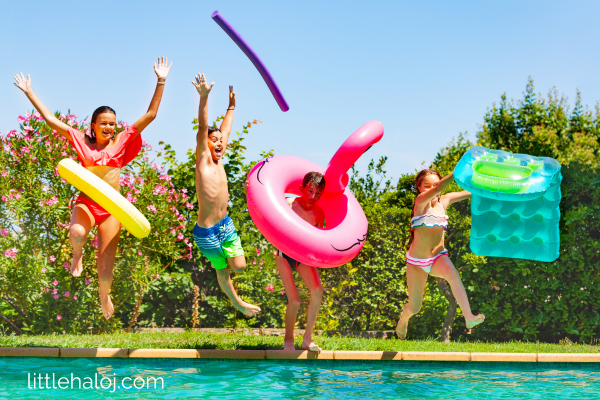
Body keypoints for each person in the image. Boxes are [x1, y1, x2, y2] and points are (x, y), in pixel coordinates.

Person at [13, 57, 172, 318]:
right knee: (76, 232)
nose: (110, 127)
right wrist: (30, 93)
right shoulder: (81, 140)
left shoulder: (122, 140)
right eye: (104, 123)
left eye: (112, 123)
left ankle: (103, 295)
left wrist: (161, 80)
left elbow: (151, 115)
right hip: (87, 203)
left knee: (105, 268)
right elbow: (52, 121)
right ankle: (77, 254)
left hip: (111, 209)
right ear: (93, 126)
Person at [191, 73, 260, 317]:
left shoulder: (219, 160)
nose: (220, 142)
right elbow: (202, 127)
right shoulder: (204, 162)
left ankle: (236, 299)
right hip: (206, 232)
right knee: (223, 272)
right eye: (215, 140)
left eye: (221, 140)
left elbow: (226, 129)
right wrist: (204, 98)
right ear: (205, 145)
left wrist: (231, 106)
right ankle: (237, 302)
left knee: (239, 267)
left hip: (225, 225)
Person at [396, 169, 485, 339]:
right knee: (415, 307)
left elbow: (471, 192)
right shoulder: (420, 202)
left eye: (434, 184)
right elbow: (437, 188)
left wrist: (489, 187)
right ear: (419, 188)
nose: (431, 189)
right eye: (426, 186)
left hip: (438, 257)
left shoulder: (445, 200)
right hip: (417, 262)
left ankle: (469, 317)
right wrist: (456, 172)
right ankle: (403, 319)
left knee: (453, 274)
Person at [277, 172, 326, 353]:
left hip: (303, 257)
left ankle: (307, 339)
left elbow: (319, 239)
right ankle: (288, 340)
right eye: (310, 191)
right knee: (295, 301)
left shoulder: (319, 213)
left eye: (318, 193)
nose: (313, 197)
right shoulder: (289, 204)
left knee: (317, 290)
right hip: (284, 254)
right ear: (302, 188)